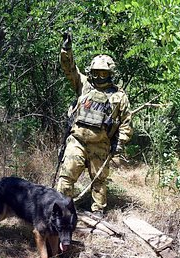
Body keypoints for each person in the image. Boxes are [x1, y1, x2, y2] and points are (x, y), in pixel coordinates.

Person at [56, 31, 133, 216]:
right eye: (96, 73)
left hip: (101, 145)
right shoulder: (84, 86)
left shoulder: (118, 96)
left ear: (110, 74)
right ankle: (61, 211)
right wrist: (66, 49)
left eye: (103, 73)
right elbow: (69, 69)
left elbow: (126, 123)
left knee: (98, 181)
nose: (99, 77)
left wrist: (119, 143)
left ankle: (97, 213)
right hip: (77, 141)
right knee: (66, 177)